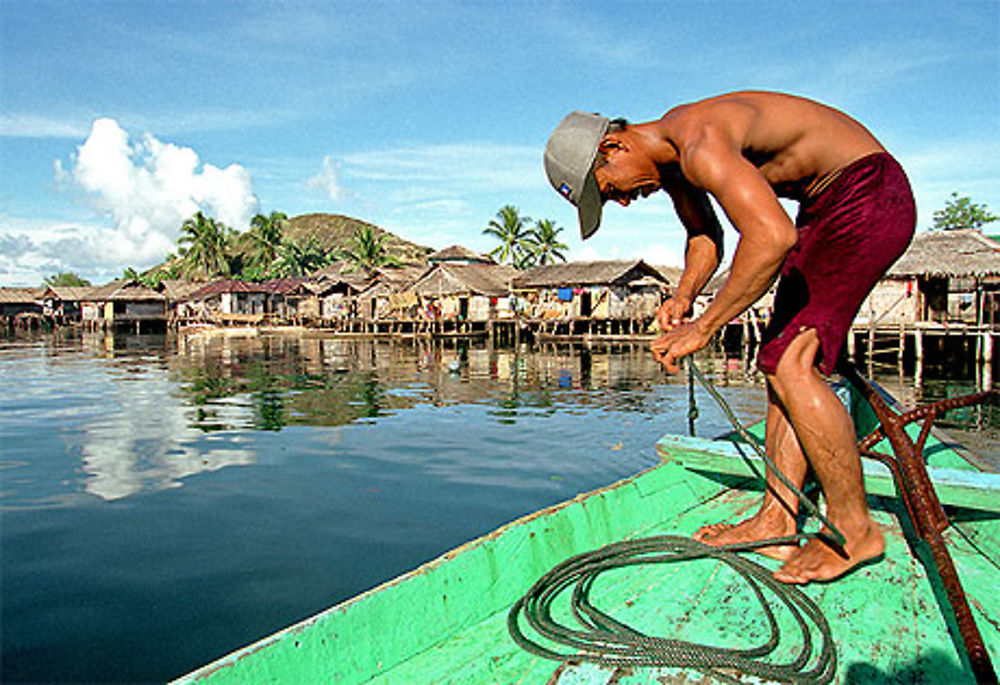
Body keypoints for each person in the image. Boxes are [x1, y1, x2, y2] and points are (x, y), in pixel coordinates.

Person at [543, 91, 915, 584]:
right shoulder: (674, 165)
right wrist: (684, 296)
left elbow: (771, 236)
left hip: (865, 195)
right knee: (776, 361)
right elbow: (705, 237)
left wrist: (706, 326)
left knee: (793, 363)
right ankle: (777, 517)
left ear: (613, 146)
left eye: (611, 191)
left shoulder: (698, 139)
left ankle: (853, 529)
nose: (626, 200)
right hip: (824, 207)